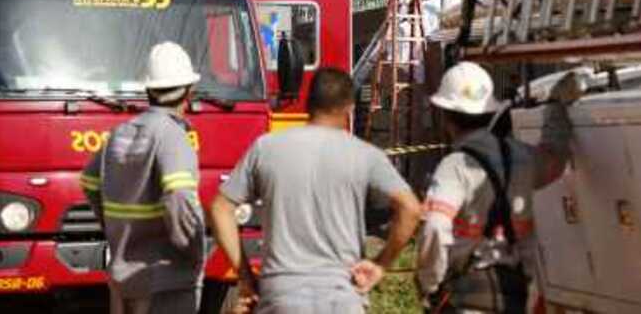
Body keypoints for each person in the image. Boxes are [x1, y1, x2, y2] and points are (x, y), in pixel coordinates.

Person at [210, 66, 422, 314]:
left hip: (280, 297)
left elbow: (220, 208)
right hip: (342, 298)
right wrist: (381, 264)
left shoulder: (266, 148)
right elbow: (410, 208)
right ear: (349, 108)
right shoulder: (365, 155)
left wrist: (245, 276)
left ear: (308, 105)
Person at [417, 62, 580, 313]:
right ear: (488, 111)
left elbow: (436, 227)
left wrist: (429, 285)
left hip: (466, 296)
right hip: (513, 296)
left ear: (446, 116)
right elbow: (556, 160)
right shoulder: (521, 156)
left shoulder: (455, 166)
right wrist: (556, 109)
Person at [80, 42, 205, 314]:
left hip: (123, 279)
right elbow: (180, 196)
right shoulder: (173, 136)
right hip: (165, 282)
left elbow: (89, 181)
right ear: (188, 92)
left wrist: (115, 227)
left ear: (148, 89)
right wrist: (194, 252)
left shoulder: (120, 131)